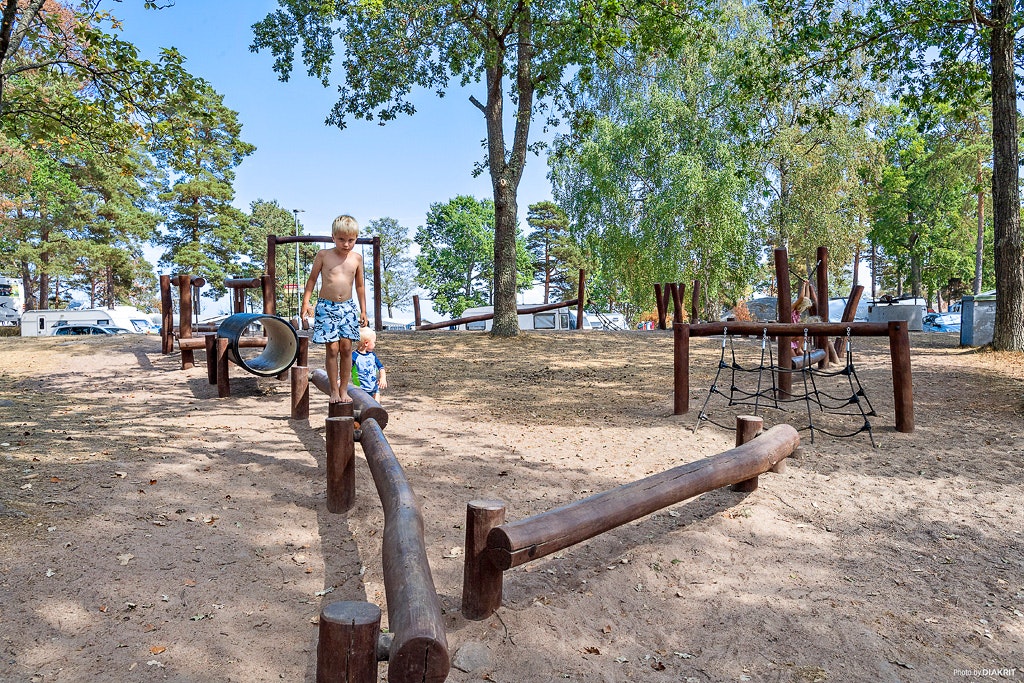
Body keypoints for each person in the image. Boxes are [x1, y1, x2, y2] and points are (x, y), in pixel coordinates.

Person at [300, 215, 368, 403]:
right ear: (332, 237)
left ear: (356, 239)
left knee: (346, 348)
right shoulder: (324, 255)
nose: (346, 244)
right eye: (341, 239)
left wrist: (363, 310)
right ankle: (334, 391)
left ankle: (344, 389)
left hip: (347, 307)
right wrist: (306, 302)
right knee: (332, 349)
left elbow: (360, 286)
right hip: (326, 306)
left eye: (351, 240)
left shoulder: (357, 258)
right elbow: (312, 279)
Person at [352, 327, 387, 401]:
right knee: (363, 409)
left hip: (374, 388)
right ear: (366, 343)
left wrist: (382, 378)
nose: (374, 344)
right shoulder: (354, 356)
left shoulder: (372, 356)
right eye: (374, 342)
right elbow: (345, 369)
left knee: (376, 407)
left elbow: (381, 368)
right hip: (360, 390)